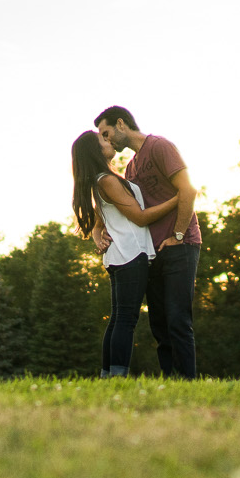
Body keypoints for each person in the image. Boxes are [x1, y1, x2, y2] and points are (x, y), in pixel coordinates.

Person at [93, 106, 201, 379]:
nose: (106, 140)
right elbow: (118, 210)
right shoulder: (130, 168)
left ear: (121, 124)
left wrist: (177, 236)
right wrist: (97, 231)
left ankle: (188, 382)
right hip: (152, 252)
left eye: (106, 133)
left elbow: (187, 190)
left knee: (178, 320)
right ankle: (171, 381)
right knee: (159, 324)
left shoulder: (160, 147)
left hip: (181, 243)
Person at [71, 130, 178, 377]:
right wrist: (177, 199)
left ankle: (108, 375)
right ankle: (117, 375)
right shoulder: (106, 180)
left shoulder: (104, 180)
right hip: (130, 254)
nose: (108, 141)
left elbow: (100, 222)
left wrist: (98, 235)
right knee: (125, 320)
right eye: (102, 140)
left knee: (119, 318)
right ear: (95, 151)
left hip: (120, 256)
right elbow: (140, 218)